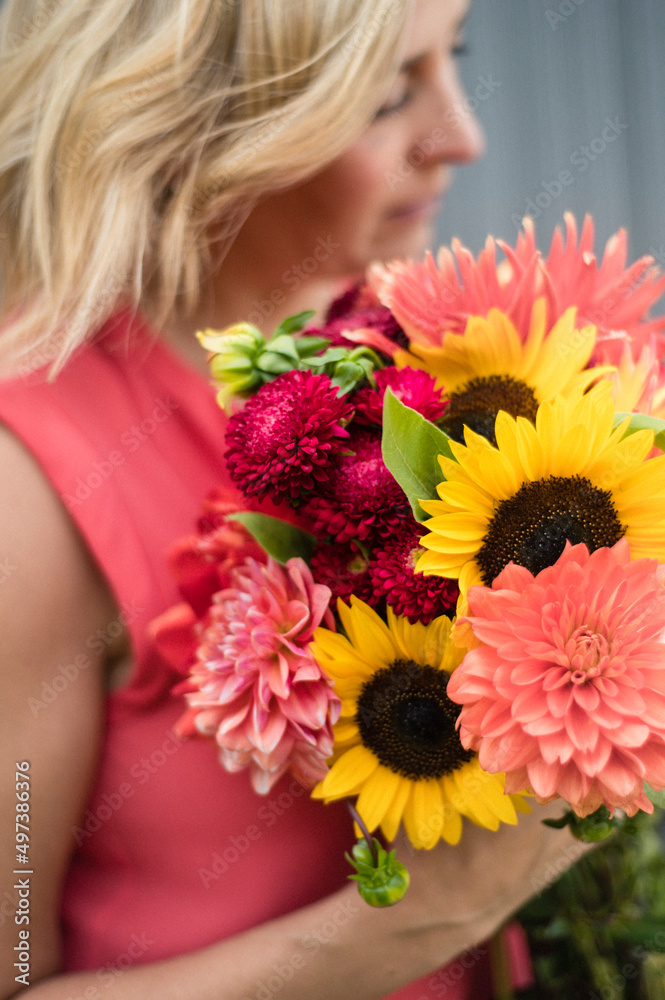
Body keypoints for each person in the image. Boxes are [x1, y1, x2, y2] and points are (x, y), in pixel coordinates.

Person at [0, 1, 585, 998]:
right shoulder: (37, 472)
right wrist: (417, 921)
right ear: (199, 121)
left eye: (455, 61)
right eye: (387, 94)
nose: (461, 137)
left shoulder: (433, 356)